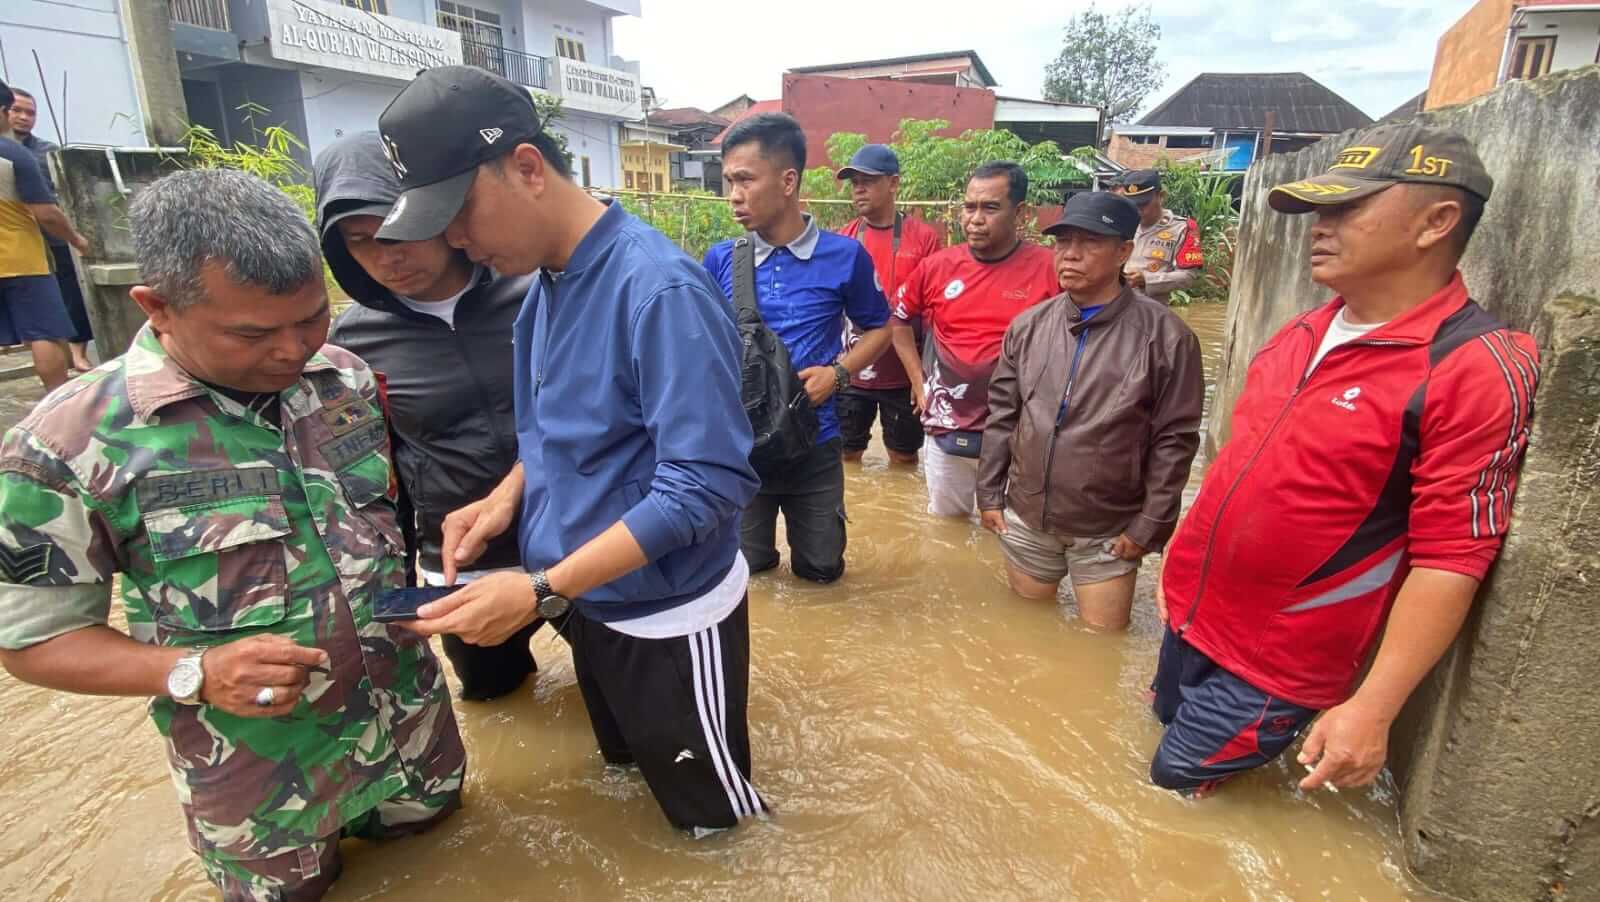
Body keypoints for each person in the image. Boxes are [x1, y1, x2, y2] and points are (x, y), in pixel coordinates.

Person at [0, 168, 464, 901]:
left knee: (451, 865)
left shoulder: (342, 379)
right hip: (263, 790)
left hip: (410, 732)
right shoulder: (65, 445)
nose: (293, 350)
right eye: (253, 332)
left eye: (311, 317)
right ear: (158, 308)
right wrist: (192, 673)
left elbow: (380, 526)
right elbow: (30, 645)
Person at [374, 66, 764, 831]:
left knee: (717, 825)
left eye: (458, 212)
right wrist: (504, 497)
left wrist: (540, 590)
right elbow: (565, 428)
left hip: (665, 616)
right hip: (589, 596)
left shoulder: (659, 291)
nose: (454, 240)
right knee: (624, 770)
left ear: (525, 168)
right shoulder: (545, 282)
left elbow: (707, 485)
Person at [1150, 124, 1539, 796]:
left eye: (1346, 210)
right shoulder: (1300, 333)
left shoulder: (1470, 366)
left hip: (1278, 660)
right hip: (1192, 614)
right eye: (1319, 212)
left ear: (1436, 222)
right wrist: (1181, 562)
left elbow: (1453, 556)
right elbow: (1236, 467)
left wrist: (1373, 707)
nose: (1319, 229)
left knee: (1170, 790)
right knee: (1158, 727)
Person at [315, 131, 544, 701]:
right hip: (462, 562)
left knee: (616, 712)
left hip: (574, 540)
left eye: (399, 231)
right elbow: (371, 473)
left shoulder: (534, 289)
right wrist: (399, 579)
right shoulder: (353, 342)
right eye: (362, 243)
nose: (387, 258)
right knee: (497, 699)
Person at [977, 192, 1204, 630]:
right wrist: (989, 494)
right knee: (1027, 632)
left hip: (1107, 529)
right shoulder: (1029, 326)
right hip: (1027, 514)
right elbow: (1003, 414)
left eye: (1089, 242)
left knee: (1102, 642)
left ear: (1123, 251)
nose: (1071, 255)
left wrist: (1148, 527)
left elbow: (1175, 441)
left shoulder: (1167, 338)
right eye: (1062, 243)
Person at [703, 113, 892, 583]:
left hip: (817, 440)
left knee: (823, 570)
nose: (734, 195)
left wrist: (839, 375)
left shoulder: (845, 256)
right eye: (729, 181)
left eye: (745, 179)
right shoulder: (721, 259)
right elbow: (700, 344)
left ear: (788, 181)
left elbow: (880, 329)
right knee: (750, 571)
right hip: (743, 448)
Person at [889, 161, 1059, 517]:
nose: (975, 219)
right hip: (947, 426)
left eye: (990, 208)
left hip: (1021, 434)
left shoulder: (1051, 269)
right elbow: (898, 319)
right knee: (946, 531)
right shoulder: (937, 266)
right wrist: (919, 382)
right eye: (970, 207)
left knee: (1012, 535)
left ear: (1021, 212)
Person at [833, 144, 944, 465]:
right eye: (854, 182)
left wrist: (922, 377)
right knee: (846, 458)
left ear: (893, 184)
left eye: (867, 180)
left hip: (902, 377)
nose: (858, 189)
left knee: (904, 460)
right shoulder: (845, 238)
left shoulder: (923, 238)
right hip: (852, 372)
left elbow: (935, 313)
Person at [0, 79, 87, 391]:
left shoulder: (42, 150)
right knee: (45, 331)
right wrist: (77, 240)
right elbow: (46, 213)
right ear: (3, 111)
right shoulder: (13, 154)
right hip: (20, 258)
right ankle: (58, 401)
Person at [1114, 169, 1205, 305]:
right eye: (1133, 204)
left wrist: (1147, 279)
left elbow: (1189, 276)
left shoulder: (1183, 229)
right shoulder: (1119, 223)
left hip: (1151, 312)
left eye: (1143, 204)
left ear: (1161, 196)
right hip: (1114, 307)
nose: (1138, 210)